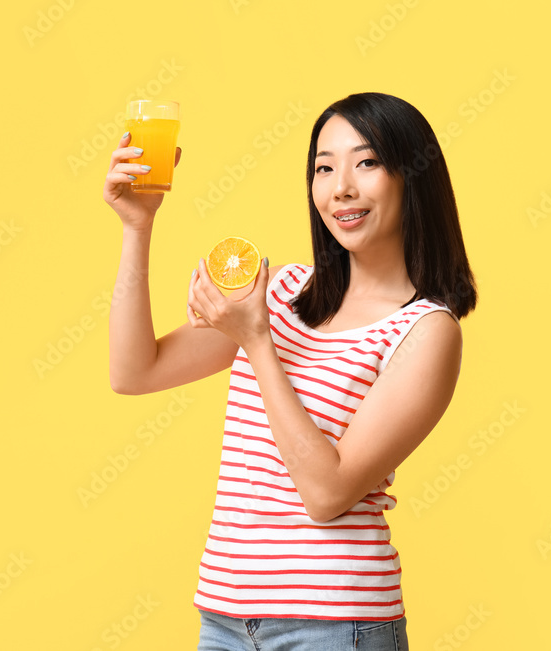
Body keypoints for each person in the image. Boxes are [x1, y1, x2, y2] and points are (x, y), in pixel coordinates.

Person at [103, 92, 477, 651]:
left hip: (335, 625)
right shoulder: (281, 292)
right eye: (323, 167)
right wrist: (137, 227)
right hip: (225, 617)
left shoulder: (426, 332)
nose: (341, 187)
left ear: (411, 176)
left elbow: (326, 493)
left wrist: (255, 339)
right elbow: (135, 370)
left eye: (367, 162)